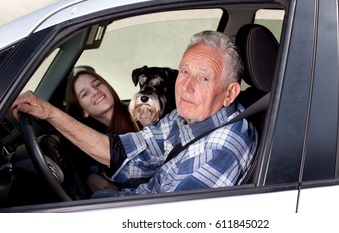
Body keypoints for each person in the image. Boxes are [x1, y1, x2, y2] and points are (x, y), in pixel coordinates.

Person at [11, 30, 258, 198]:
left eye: (204, 77)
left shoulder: (224, 147)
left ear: (229, 93)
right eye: (184, 72)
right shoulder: (183, 119)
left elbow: (172, 220)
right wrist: (51, 114)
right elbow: (124, 153)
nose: (186, 87)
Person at [64, 66, 141, 192]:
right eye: (85, 94)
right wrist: (89, 177)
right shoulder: (94, 139)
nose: (95, 92)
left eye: (97, 84)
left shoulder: (141, 114)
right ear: (83, 111)